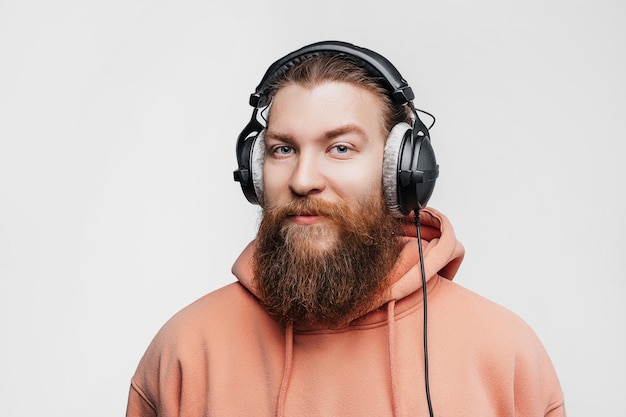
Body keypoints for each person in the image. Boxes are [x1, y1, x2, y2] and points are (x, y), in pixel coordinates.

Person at [126, 41, 565, 417]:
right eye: (283, 149)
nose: (302, 179)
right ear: (255, 172)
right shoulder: (184, 351)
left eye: (340, 147)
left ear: (400, 172)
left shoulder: (505, 355)